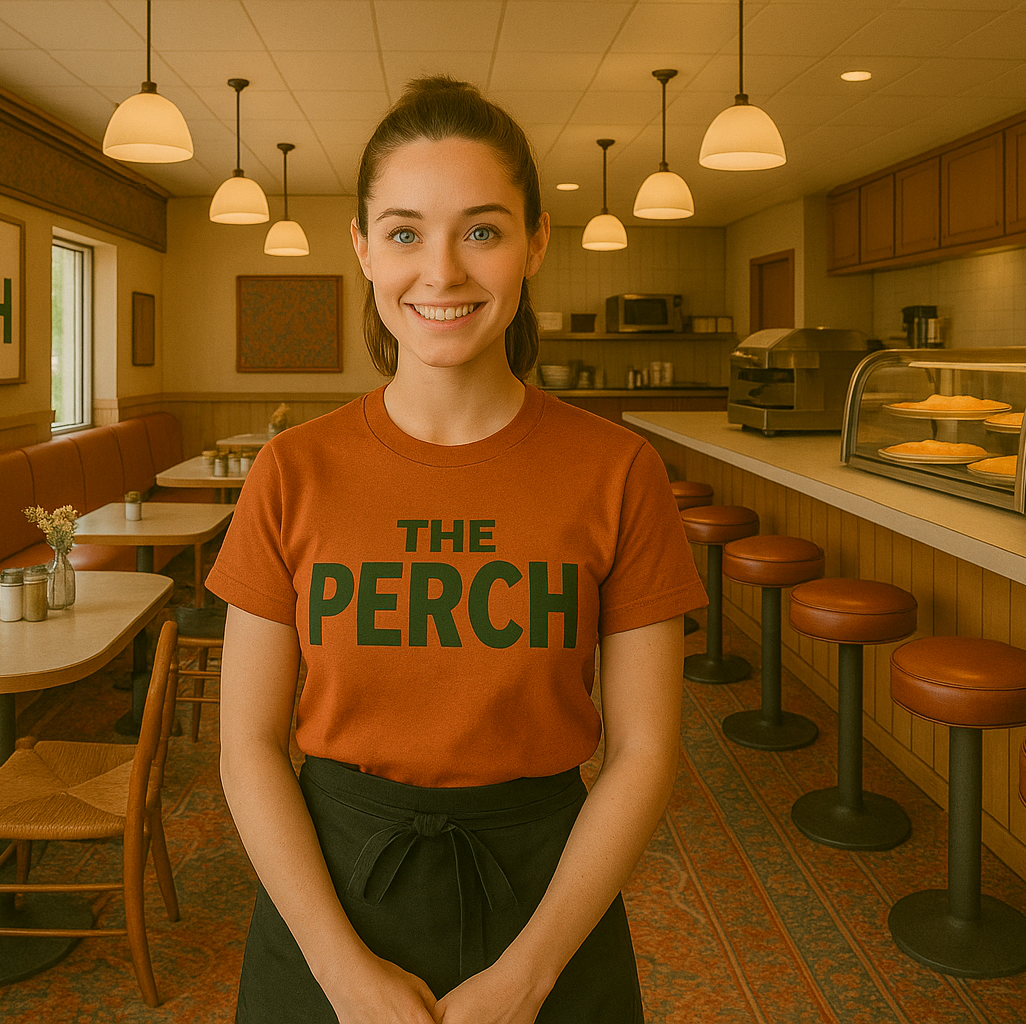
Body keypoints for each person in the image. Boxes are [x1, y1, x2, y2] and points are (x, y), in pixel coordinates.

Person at [207, 76, 708, 1024]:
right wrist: (343, 975)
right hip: (328, 894)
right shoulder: (292, 469)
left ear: (535, 243)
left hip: (548, 897)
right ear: (362, 248)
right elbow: (246, 746)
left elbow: (645, 750)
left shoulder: (618, 469)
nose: (441, 272)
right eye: (404, 232)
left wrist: (529, 978)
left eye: (481, 230)